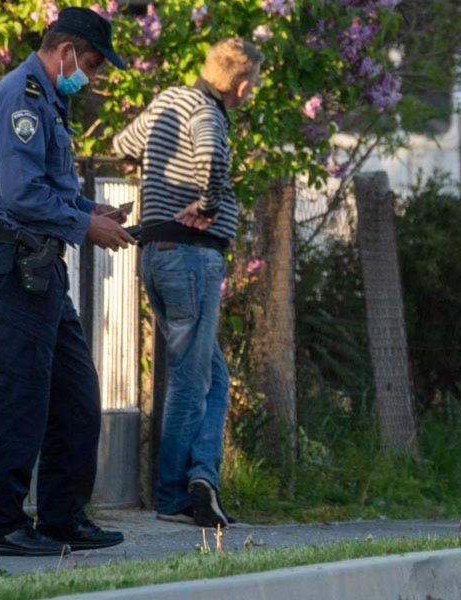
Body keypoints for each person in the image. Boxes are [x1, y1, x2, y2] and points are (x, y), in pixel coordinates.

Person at [0, 7, 134, 556]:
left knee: (76, 394)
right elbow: (20, 196)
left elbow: (51, 187)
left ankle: (63, 517)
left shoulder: (49, 101)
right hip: (17, 261)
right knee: (23, 391)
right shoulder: (23, 98)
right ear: (65, 51)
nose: (91, 74)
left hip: (42, 266)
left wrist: (93, 209)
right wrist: (85, 227)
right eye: (89, 62)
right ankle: (3, 526)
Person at [113, 38, 263, 528]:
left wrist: (160, 172)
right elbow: (210, 160)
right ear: (240, 85)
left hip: (158, 256)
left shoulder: (168, 100)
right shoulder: (207, 112)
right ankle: (176, 497)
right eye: (251, 87)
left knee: (211, 377)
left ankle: (202, 477)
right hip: (191, 259)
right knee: (190, 381)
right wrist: (208, 204)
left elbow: (122, 145)